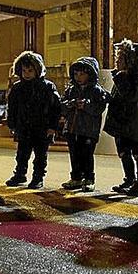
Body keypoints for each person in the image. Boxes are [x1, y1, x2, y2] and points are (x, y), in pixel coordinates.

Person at [103, 39, 138, 196]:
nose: (117, 61)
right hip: (122, 125)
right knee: (124, 153)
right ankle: (130, 179)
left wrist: (119, 78)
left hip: (134, 126)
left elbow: (129, 96)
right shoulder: (123, 77)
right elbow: (117, 98)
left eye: (121, 58)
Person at [4, 51, 61, 189]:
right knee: (22, 154)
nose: (27, 73)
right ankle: (20, 174)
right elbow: (12, 107)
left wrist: (52, 127)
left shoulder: (47, 87)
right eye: (24, 70)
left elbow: (55, 108)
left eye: (30, 70)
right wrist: (12, 124)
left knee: (40, 156)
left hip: (42, 128)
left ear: (37, 70)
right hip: (24, 128)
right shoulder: (17, 88)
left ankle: (38, 178)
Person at [60, 57, 109, 192]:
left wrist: (86, 105)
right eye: (76, 74)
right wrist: (71, 104)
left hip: (88, 130)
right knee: (74, 155)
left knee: (87, 155)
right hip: (72, 128)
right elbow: (61, 106)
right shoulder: (71, 90)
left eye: (82, 74)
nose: (78, 77)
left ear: (90, 74)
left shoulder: (96, 90)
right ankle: (76, 177)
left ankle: (89, 178)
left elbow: (99, 108)